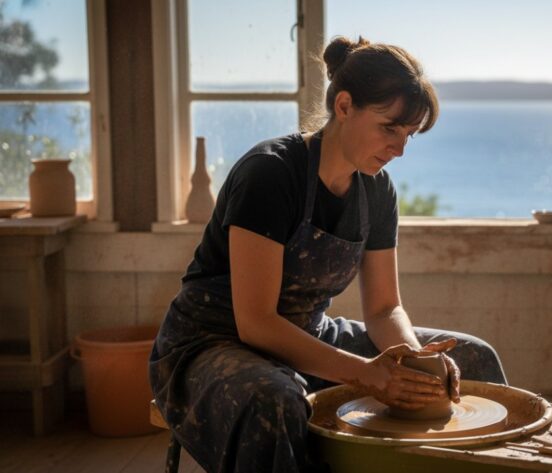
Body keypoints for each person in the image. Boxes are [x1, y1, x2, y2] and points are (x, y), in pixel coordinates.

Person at [149, 36, 507, 473]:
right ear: (343, 106)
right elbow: (256, 322)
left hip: (309, 334)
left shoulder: (376, 189)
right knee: (275, 399)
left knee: (473, 358)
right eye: (389, 127)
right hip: (212, 343)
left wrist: (413, 360)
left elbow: (384, 307)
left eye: (409, 134)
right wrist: (366, 372)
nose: (400, 149)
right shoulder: (270, 173)